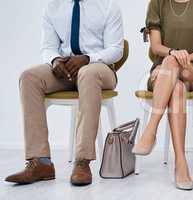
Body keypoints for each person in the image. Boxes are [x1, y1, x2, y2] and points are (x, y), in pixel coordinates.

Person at [5, 0, 124, 186]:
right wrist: (54, 60)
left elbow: (116, 49)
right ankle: (41, 162)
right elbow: (48, 46)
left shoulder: (108, 5)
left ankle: (82, 161)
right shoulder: (53, 7)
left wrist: (87, 58)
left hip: (99, 68)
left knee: (88, 73)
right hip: (66, 70)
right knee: (29, 77)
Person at [131, 0, 193, 191]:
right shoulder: (157, 3)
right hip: (163, 74)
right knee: (176, 88)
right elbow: (156, 46)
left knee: (171, 62)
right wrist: (172, 56)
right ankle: (181, 162)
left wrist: (178, 58)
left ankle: (150, 131)